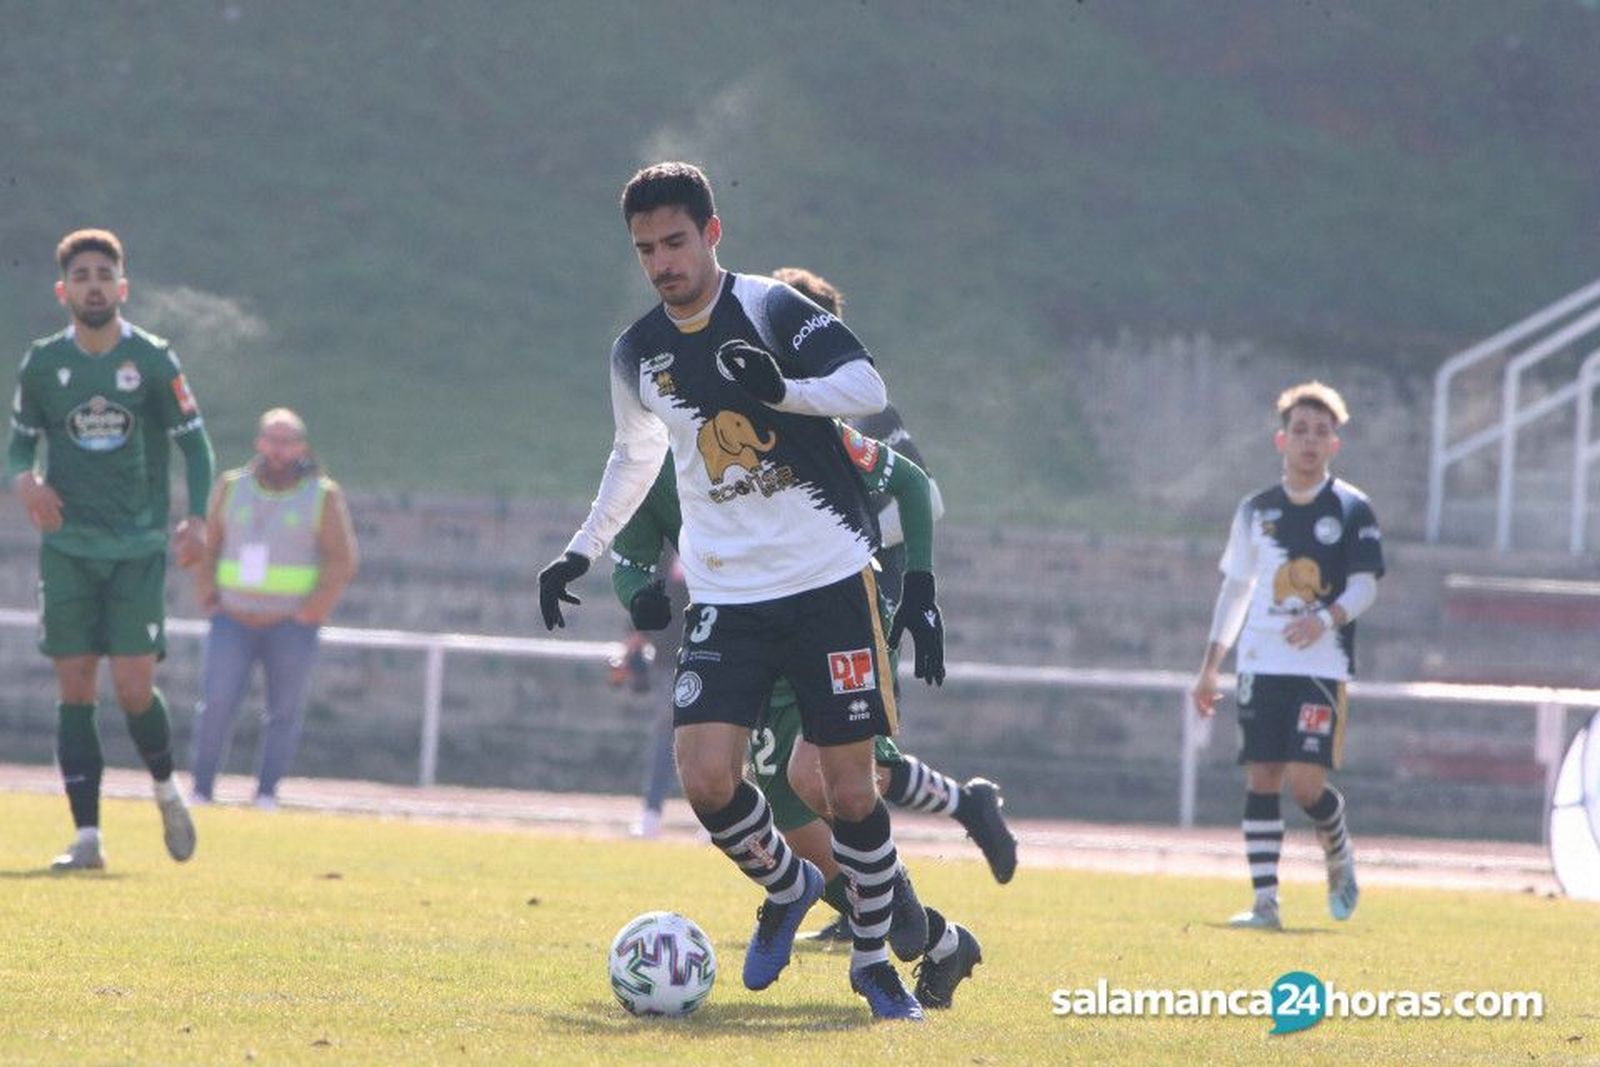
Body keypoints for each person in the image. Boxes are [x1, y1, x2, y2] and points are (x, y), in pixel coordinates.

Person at [538, 162, 937, 1020]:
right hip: (727, 596)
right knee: (706, 775)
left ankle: (875, 966)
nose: (662, 262)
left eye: (675, 242)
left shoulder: (772, 308)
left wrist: (783, 391)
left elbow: (868, 386)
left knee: (850, 791)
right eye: (646, 249)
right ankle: (790, 886)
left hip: (829, 581)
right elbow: (633, 456)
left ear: (712, 233)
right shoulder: (638, 350)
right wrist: (579, 551)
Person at [611, 430, 981, 1009]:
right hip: (744, 644)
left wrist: (919, 586)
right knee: (797, 831)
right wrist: (639, 595)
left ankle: (881, 953)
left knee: (828, 781)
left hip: (832, 619)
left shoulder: (787, 417)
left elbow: (911, 483)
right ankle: (939, 940)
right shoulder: (658, 469)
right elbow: (629, 560)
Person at [770, 266, 1017, 889]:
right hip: (799, 597)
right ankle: (866, 887)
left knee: (850, 765)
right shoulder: (775, 410)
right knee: (809, 760)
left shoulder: (861, 406)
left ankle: (911, 860)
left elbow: (922, 499)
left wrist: (852, 557)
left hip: (868, 593)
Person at [6, 228, 215, 870]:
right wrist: (25, 477)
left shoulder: (152, 360)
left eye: (104, 274)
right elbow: (20, 442)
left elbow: (196, 446)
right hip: (67, 547)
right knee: (74, 685)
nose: (92, 284)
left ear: (122, 287)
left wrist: (198, 520)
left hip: (135, 546)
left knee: (131, 686)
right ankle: (87, 837)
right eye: (81, 275)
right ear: (63, 290)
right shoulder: (43, 364)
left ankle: (164, 788)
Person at [1190, 381, 1384, 930]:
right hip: (1260, 664)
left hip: (1322, 669)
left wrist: (1322, 620)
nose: (1309, 440)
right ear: (1282, 439)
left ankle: (1337, 849)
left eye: (1321, 432)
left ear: (1334, 445)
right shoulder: (1256, 511)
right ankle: (1265, 903)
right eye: (1300, 430)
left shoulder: (1351, 509)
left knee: (1306, 786)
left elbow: (1365, 587)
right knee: (1262, 776)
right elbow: (1236, 589)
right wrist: (1211, 665)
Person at [188, 409, 359, 809]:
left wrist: (313, 610)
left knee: (283, 710)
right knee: (216, 702)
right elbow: (206, 547)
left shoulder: (323, 495)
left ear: (301, 447)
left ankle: (266, 792)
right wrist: (208, 596)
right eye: (271, 440)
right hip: (231, 617)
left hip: (291, 624)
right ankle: (201, 788)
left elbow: (342, 559)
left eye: (287, 442)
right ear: (258, 443)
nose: (278, 450)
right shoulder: (231, 487)